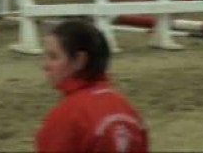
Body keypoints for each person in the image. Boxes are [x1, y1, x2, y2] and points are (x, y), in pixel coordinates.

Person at [36, 19, 148, 153]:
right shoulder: (128, 110)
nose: (45, 65)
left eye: (53, 57)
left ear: (79, 60)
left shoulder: (65, 116)